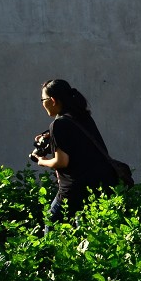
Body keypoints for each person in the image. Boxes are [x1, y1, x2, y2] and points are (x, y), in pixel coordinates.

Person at [31, 79, 119, 234]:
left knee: (51, 229)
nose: (42, 104)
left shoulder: (58, 124)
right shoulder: (83, 117)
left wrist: (42, 161)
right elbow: (78, 141)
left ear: (52, 100)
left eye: (43, 100)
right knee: (89, 234)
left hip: (73, 190)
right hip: (99, 185)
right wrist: (49, 136)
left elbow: (61, 161)